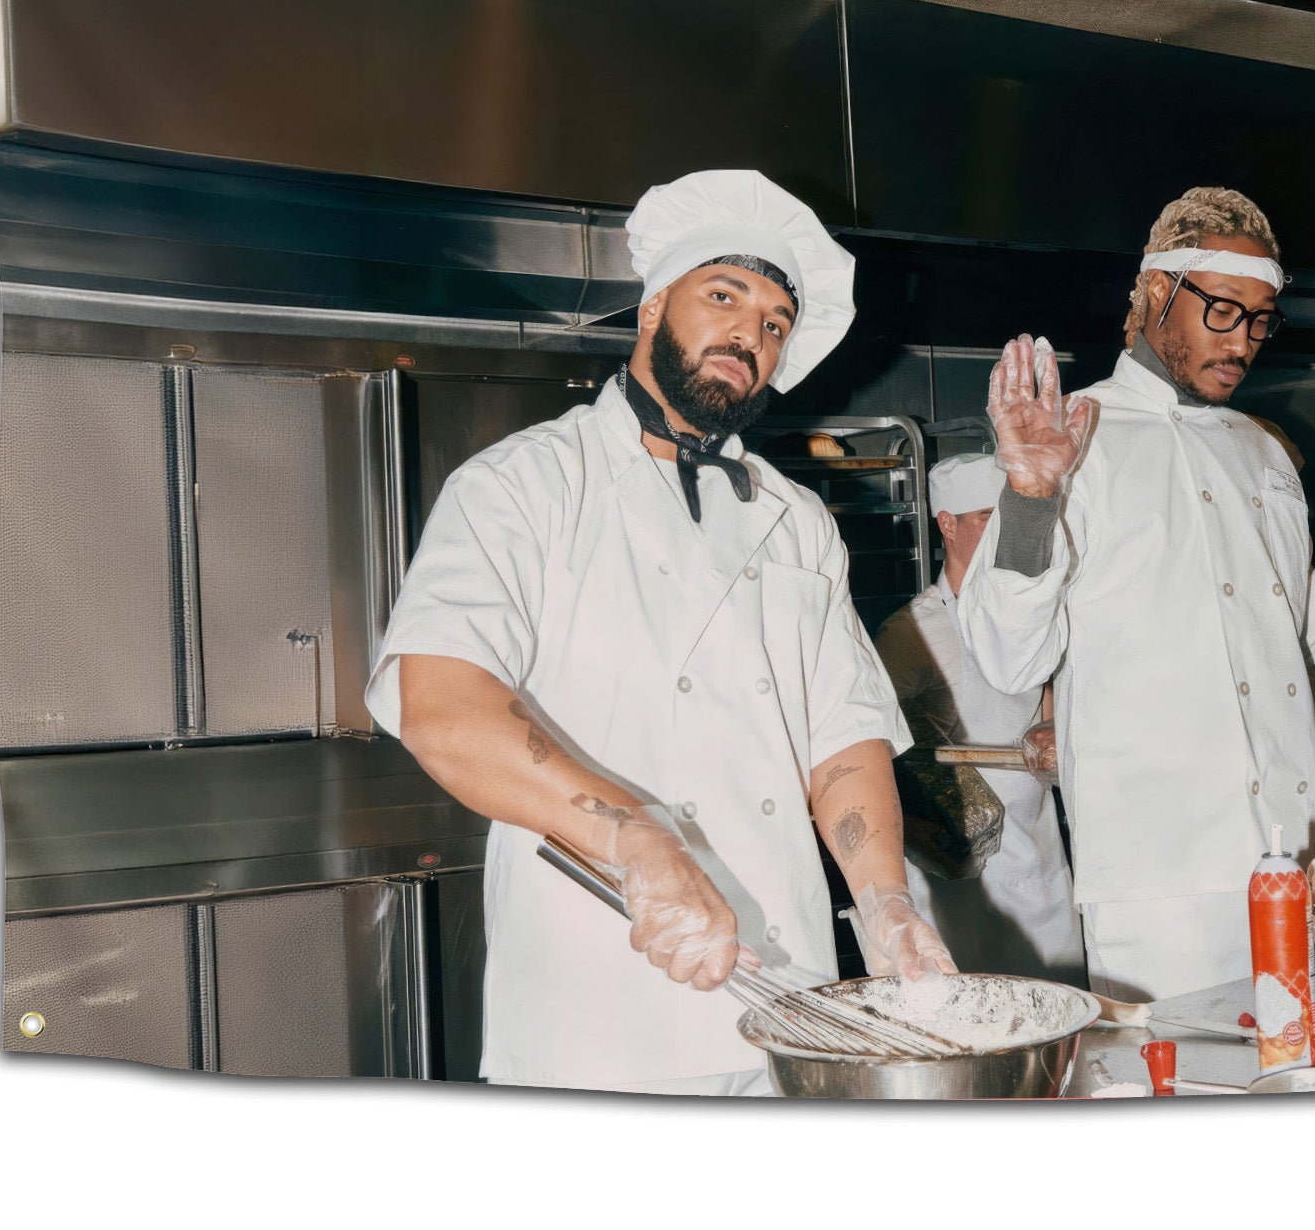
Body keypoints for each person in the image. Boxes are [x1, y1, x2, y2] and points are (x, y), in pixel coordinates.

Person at [365, 169, 953, 1096]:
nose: (748, 335)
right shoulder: (523, 484)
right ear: (651, 308)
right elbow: (438, 706)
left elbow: (841, 734)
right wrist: (639, 838)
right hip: (598, 1013)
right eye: (724, 295)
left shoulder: (799, 520)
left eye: (773, 323)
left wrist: (885, 903)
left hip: (786, 1002)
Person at [955, 185, 1315, 1001]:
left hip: (1296, 859)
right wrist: (1032, 497)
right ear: (1154, 293)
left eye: (1259, 318)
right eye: (1223, 309)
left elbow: (1290, 633)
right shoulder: (1074, 437)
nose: (1244, 340)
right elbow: (1006, 656)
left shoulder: (1263, 451)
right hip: (1161, 889)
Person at [874, 454, 1088, 986]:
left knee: (1059, 1007)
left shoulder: (1037, 614)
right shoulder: (913, 631)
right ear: (947, 523)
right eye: (989, 518)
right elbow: (869, 736)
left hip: (1036, 852)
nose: (1003, 535)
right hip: (957, 874)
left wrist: (1054, 728)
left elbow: (1049, 700)